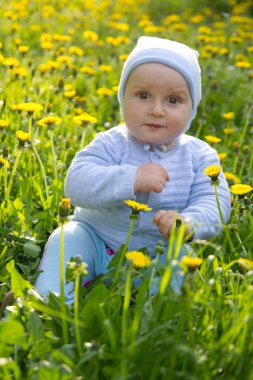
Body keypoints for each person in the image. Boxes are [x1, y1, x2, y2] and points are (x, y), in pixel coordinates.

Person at [35, 36, 231, 301]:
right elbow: (76, 183)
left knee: (181, 261)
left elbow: (215, 202)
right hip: (96, 240)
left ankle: (158, 313)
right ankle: (48, 302)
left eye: (173, 100)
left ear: (192, 108)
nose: (156, 110)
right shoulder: (111, 143)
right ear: (122, 98)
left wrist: (189, 222)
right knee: (67, 237)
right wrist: (131, 178)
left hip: (158, 251)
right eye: (143, 96)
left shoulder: (199, 156)